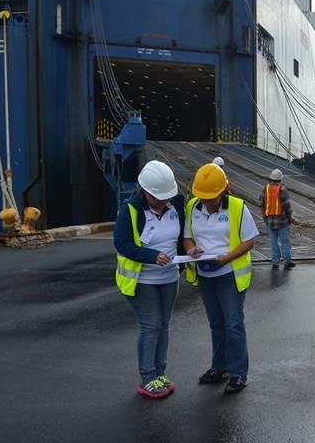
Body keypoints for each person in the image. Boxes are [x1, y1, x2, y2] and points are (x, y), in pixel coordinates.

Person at [184, 163, 258, 394]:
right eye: (203, 198)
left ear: (223, 191)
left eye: (211, 198)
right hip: (206, 274)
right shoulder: (192, 207)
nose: (207, 202)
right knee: (216, 323)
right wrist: (191, 250)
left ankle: (238, 374)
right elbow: (188, 238)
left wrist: (227, 258)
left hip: (228, 274)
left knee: (233, 324)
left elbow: (249, 241)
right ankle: (219, 367)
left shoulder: (237, 207)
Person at [114, 160, 184, 399]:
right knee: (151, 325)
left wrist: (190, 252)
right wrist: (152, 256)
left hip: (169, 277)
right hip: (143, 280)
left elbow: (183, 236)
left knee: (164, 325)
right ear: (146, 193)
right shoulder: (131, 210)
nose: (164, 201)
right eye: (158, 198)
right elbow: (122, 244)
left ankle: (160, 373)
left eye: (167, 196)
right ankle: (148, 378)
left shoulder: (176, 206)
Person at [259, 168, 295, 270]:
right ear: (280, 179)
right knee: (285, 241)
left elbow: (261, 204)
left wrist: (265, 218)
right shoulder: (282, 189)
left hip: (270, 221)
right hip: (282, 221)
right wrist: (290, 218)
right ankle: (287, 261)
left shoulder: (266, 188)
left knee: (273, 242)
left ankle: (275, 262)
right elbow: (287, 206)